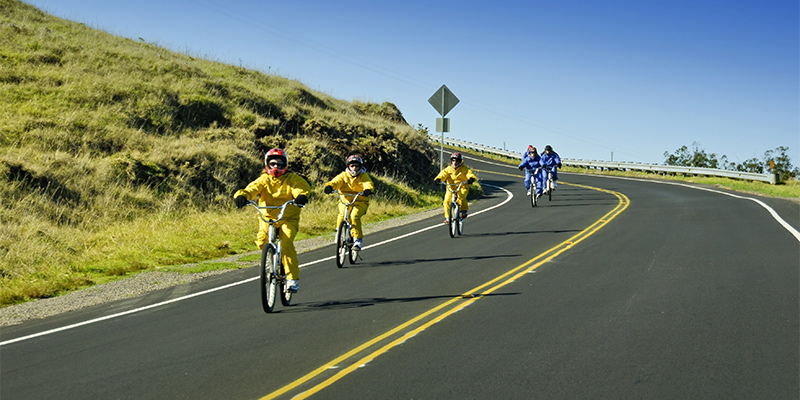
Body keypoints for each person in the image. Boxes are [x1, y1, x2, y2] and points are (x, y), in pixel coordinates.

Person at [233, 148, 310, 292]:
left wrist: (301, 196)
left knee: (286, 244)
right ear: (267, 164)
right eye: (273, 163)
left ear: (285, 165)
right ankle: (272, 261)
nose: (276, 167)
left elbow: (300, 188)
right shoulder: (264, 179)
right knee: (262, 241)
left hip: (288, 218)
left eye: (280, 164)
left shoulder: (292, 179)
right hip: (267, 218)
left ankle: (292, 279)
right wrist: (242, 196)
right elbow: (252, 189)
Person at [323, 154, 375, 251]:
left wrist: (368, 190)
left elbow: (368, 184)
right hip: (345, 200)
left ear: (360, 167)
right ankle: (339, 233)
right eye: (352, 166)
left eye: (356, 166)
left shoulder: (364, 176)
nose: (354, 168)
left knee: (354, 217)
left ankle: (357, 240)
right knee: (342, 214)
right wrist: (329, 186)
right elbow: (335, 181)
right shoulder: (344, 175)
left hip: (360, 201)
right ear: (348, 166)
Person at [434, 152, 478, 224]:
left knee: (461, 197)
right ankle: (448, 218)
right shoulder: (448, 169)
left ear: (460, 161)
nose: (454, 162)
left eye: (456, 160)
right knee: (446, 201)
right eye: (453, 160)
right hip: (451, 187)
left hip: (462, 186)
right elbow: (443, 174)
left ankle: (463, 211)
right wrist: (438, 179)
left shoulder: (465, 169)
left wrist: (471, 179)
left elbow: (469, 174)